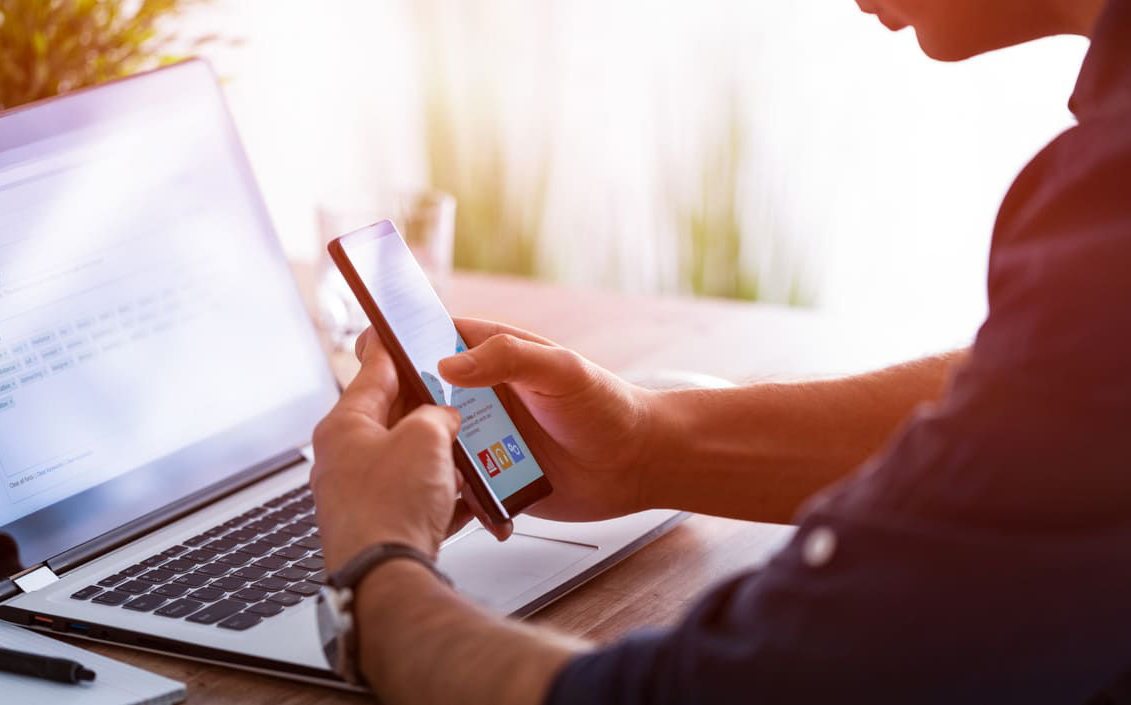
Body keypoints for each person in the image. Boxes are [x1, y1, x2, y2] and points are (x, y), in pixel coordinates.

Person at [310, 0, 1131, 702]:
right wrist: (647, 447)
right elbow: (1051, 409)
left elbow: (714, 692)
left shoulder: (1110, 208)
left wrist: (374, 578)